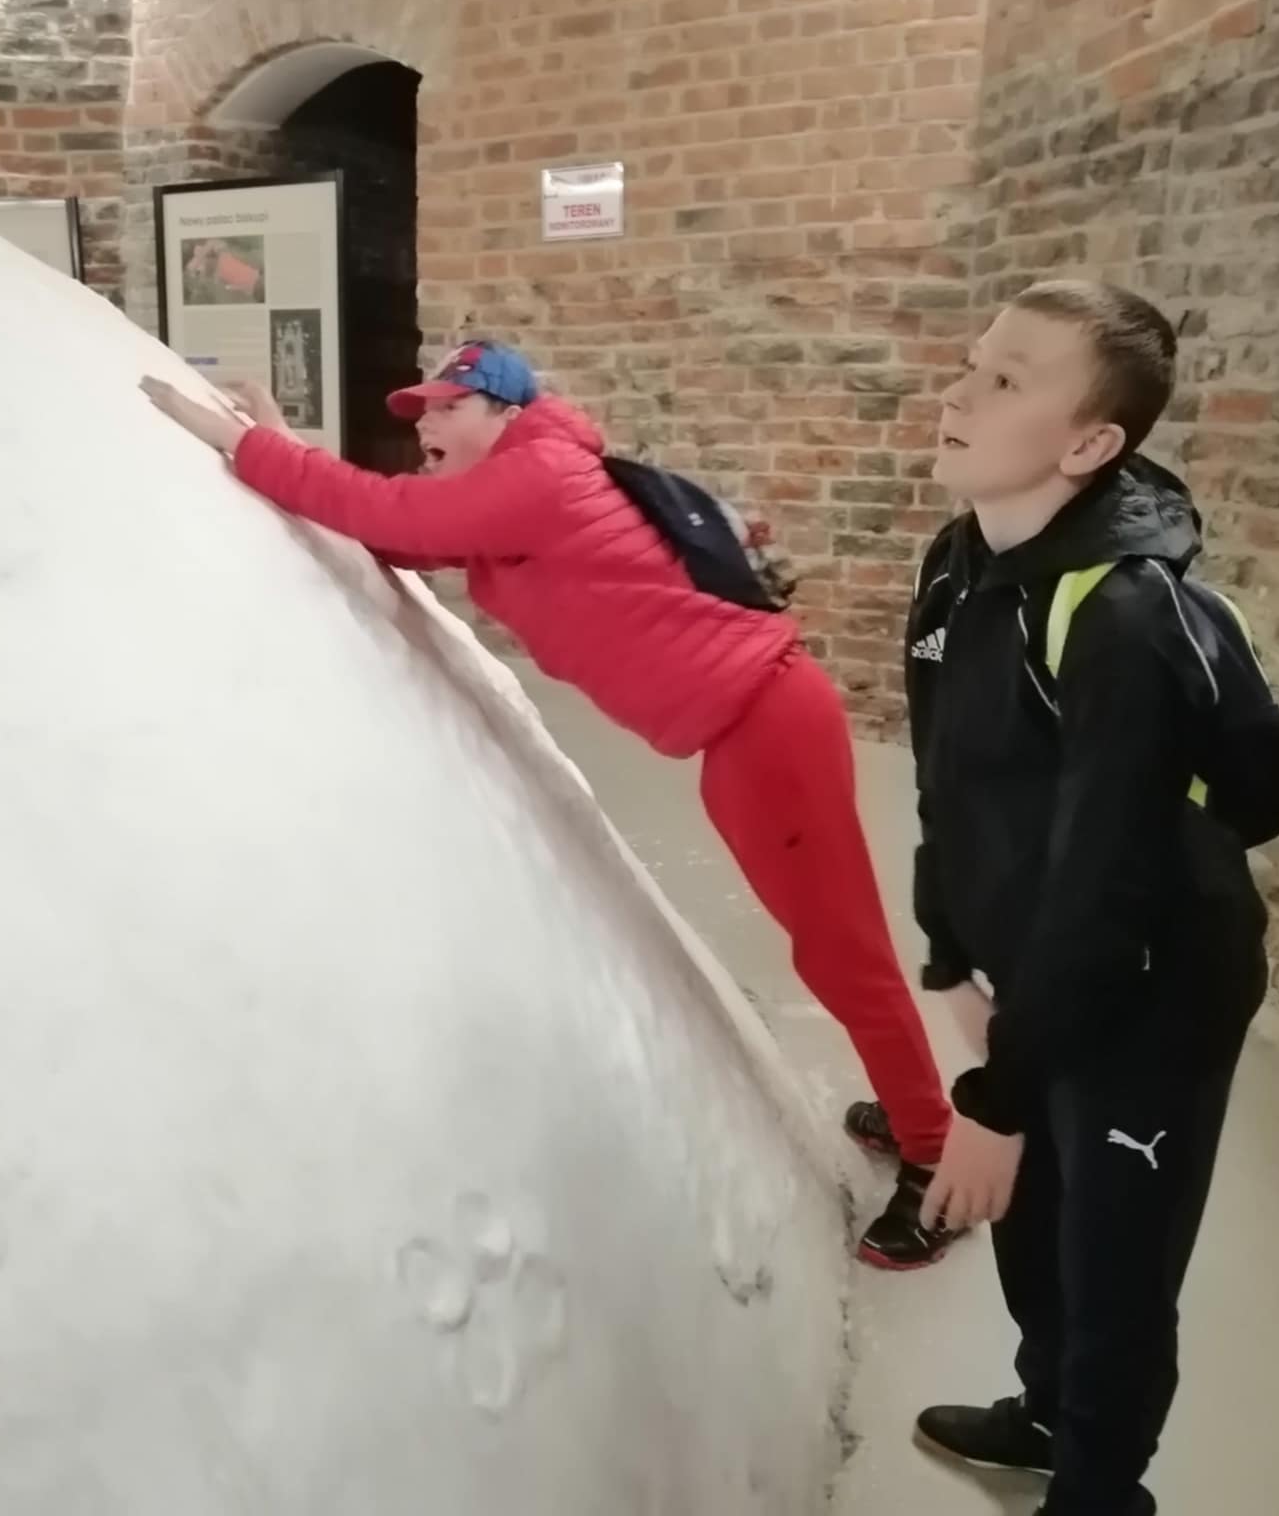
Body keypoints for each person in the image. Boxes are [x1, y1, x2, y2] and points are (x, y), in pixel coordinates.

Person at [140, 342, 970, 1269]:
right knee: (834, 945)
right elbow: (392, 532)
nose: (425, 425)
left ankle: (938, 1160)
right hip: (744, 730)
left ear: (504, 411)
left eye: (446, 406)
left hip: (767, 726)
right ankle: (915, 1112)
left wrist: (243, 445)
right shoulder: (521, 489)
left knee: (840, 952)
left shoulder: (539, 474)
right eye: (420, 412)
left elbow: (387, 512)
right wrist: (287, 455)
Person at [882, 279, 1279, 1516]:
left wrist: (996, 1098)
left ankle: (1102, 1491)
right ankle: (1047, 1415)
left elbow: (1107, 882)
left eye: (1005, 379)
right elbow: (946, 782)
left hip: (1154, 991)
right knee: (1034, 1223)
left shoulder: (1123, 619)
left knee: (1113, 1261)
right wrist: (950, 953)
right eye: (970, 363)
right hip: (1041, 973)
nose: (958, 392)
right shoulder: (956, 563)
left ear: (1087, 443)